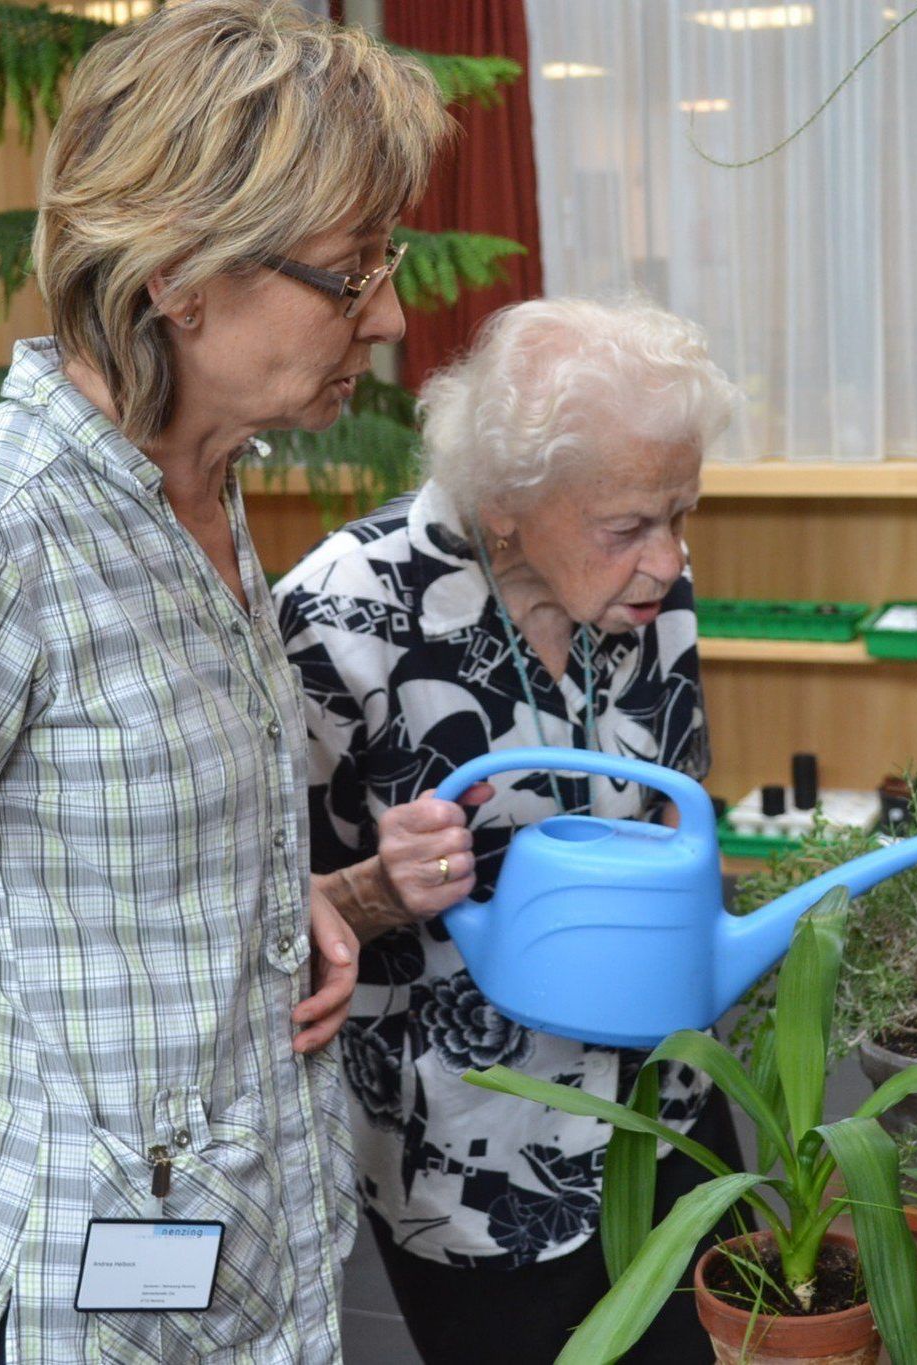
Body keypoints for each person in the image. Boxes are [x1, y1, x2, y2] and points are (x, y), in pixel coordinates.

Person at [0, 5, 450, 1360]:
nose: (393, 313)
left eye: (389, 258)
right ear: (182, 270)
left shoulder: (207, 484)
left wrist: (279, 899)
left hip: (239, 1256)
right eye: (351, 271)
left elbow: (91, 851)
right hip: (66, 1297)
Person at [273, 296, 747, 1363]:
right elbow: (253, 913)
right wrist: (376, 888)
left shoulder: (652, 593)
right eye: (628, 525)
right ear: (504, 507)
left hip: (665, 1093)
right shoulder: (340, 617)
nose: (667, 559)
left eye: (682, 511)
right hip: (470, 1153)